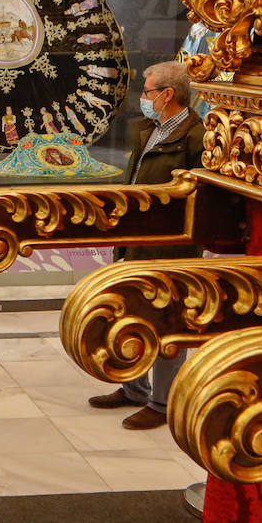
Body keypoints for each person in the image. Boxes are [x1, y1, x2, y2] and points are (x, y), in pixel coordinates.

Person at [88, 61, 206, 430]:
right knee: (130, 315)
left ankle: (162, 400)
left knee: (167, 323)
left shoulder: (195, 137)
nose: (143, 98)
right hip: (135, 241)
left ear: (169, 94)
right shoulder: (148, 130)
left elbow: (199, 199)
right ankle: (133, 387)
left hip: (169, 249)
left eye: (148, 92)